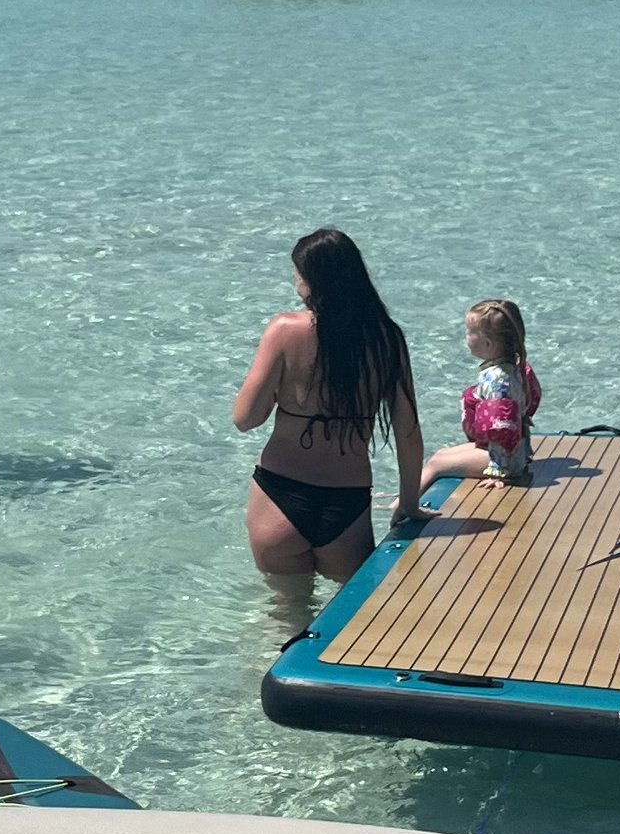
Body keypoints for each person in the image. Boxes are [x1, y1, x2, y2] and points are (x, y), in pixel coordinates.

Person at [231, 228, 424, 585]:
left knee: (285, 617)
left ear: (312, 280)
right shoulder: (386, 338)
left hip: (280, 494)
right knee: (347, 623)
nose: (295, 282)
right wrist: (408, 504)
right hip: (346, 505)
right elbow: (408, 433)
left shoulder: (284, 330)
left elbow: (245, 419)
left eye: (298, 274)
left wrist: (279, 393)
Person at [419, 299, 541, 493]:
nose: (465, 337)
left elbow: (501, 429)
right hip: (515, 452)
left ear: (487, 343)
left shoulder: (497, 381)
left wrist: (498, 472)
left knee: (436, 466)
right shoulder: (516, 369)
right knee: (439, 455)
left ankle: (402, 505)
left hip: (505, 461)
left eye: (469, 332)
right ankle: (407, 495)